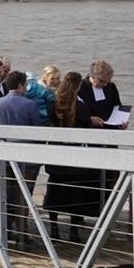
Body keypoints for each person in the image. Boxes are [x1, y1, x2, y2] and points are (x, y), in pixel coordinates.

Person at [0, 71, 41, 244]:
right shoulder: (30, 105)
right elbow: (37, 131)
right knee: (22, 197)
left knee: (0, 196)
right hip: (25, 159)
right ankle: (23, 233)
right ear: (20, 85)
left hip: (2, 158)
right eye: (25, 85)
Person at [44, 71, 97, 243]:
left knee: (54, 193)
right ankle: (74, 232)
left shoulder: (53, 104)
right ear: (77, 87)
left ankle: (54, 229)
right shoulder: (81, 107)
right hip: (75, 158)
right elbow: (88, 132)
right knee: (75, 194)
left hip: (56, 157)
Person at [78, 60, 127, 130]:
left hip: (111, 129)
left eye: (108, 81)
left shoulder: (111, 86)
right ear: (92, 76)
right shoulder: (80, 87)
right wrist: (89, 119)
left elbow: (117, 107)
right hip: (89, 129)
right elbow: (74, 111)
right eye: (101, 81)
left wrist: (122, 122)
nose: (105, 84)